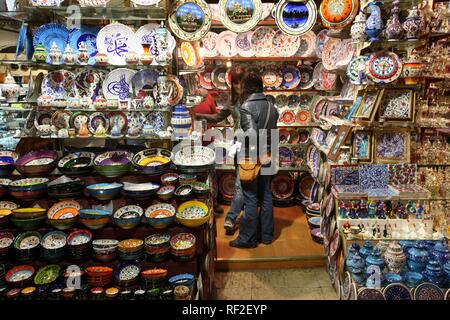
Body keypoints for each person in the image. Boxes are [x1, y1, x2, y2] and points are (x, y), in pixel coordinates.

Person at [230, 73, 279, 248]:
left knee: (250, 197)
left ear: (246, 88)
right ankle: (266, 236)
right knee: (266, 196)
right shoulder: (272, 107)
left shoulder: (246, 107)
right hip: (269, 155)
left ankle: (247, 239)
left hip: (252, 157)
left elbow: (251, 134)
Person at [193, 69, 245, 234]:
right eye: (236, 82)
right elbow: (217, 117)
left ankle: (234, 217)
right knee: (240, 181)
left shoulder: (253, 99)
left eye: (241, 82)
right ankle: (234, 217)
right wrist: (199, 115)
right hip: (239, 144)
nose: (238, 86)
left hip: (254, 144)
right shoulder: (232, 101)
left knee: (243, 182)